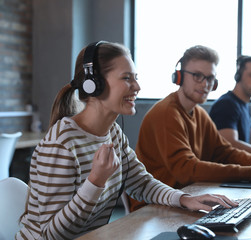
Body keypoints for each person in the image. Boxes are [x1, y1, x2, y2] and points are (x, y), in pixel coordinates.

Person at [16, 41, 239, 240]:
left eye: (136, 78)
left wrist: (184, 199)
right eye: (126, 78)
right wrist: (95, 182)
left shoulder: (113, 133)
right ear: (94, 84)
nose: (137, 87)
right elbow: (51, 234)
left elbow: (140, 183)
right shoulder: (61, 144)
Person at [129, 45, 251, 212]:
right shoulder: (167, 113)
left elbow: (225, 152)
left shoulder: (199, 113)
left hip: (189, 198)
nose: (205, 84)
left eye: (210, 78)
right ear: (179, 77)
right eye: (197, 76)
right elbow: (187, 170)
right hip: (154, 207)